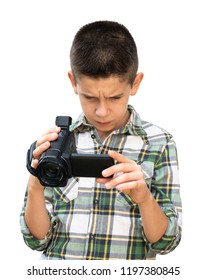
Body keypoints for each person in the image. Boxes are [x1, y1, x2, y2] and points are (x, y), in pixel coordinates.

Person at [20, 20, 182, 260]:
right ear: (73, 82)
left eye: (115, 97)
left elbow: (166, 243)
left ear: (135, 83)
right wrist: (36, 182)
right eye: (90, 97)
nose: (102, 111)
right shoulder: (55, 143)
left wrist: (144, 199)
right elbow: (37, 239)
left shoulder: (159, 143)